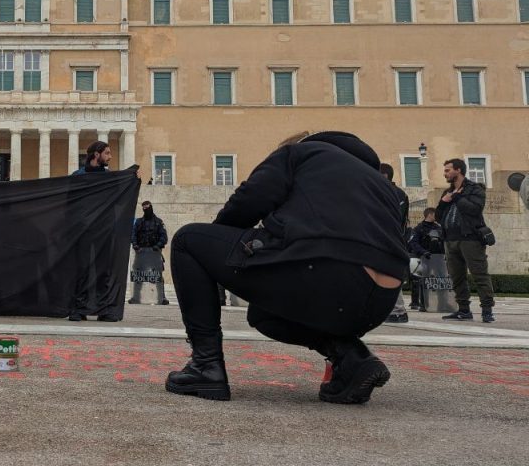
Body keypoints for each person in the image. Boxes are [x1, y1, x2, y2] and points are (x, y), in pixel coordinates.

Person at [166, 131, 408, 404]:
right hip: (380, 301)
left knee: (188, 241)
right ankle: (352, 357)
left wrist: (216, 253)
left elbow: (247, 202)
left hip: (326, 272)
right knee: (264, 315)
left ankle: (205, 366)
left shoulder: (300, 153)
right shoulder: (382, 184)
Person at [437, 158, 495, 322]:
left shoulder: (475, 189)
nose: (445, 173)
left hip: (470, 239)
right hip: (450, 240)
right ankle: (463, 310)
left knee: (479, 274)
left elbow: (475, 209)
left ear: (459, 170)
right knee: (457, 277)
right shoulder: (447, 192)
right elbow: (439, 216)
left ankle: (487, 310)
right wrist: (443, 202)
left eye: (448, 170)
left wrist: (456, 198)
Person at [68, 141, 120, 321]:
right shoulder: (78, 176)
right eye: (107, 153)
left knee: (103, 270)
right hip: (83, 230)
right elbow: (71, 203)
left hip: (104, 229)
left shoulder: (108, 177)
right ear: (96, 155)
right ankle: (78, 308)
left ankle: (103, 309)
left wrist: (131, 177)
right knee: (81, 269)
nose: (110, 156)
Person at [380, 163, 412, 324]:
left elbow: (396, 218)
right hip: (386, 238)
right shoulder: (393, 192)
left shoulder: (396, 194)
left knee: (391, 274)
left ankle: (399, 311)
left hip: (390, 239)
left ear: (385, 175)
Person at [128, 200, 170, 306]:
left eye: (147, 207)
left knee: (158, 276)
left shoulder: (158, 222)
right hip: (141, 251)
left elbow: (164, 237)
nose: (146, 209)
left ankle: (162, 297)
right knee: (138, 275)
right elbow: (133, 234)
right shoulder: (139, 222)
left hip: (154, 251)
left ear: (151, 207)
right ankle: (135, 297)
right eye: (144, 207)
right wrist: (135, 245)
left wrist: (158, 246)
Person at [408, 208, 444, 311]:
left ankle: (443, 304)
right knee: (424, 282)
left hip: (438, 259)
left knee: (441, 282)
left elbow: (443, 242)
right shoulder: (419, 228)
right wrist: (423, 252)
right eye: (435, 214)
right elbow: (413, 243)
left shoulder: (439, 228)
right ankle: (424, 305)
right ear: (430, 215)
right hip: (425, 258)